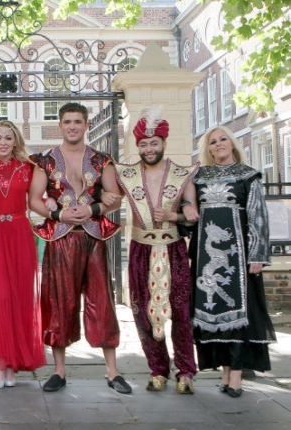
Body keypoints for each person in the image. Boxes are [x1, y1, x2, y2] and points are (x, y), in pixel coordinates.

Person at [28, 102, 131, 394]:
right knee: (59, 303)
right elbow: (33, 199)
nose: (72, 126)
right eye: (68, 122)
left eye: (77, 122)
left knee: (102, 301)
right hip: (60, 238)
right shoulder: (45, 161)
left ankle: (113, 372)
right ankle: (59, 372)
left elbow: (115, 196)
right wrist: (59, 214)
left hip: (93, 238)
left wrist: (94, 208)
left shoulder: (101, 160)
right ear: (60, 125)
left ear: (86, 125)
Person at [110, 108, 198, 394]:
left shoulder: (182, 174)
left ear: (163, 143)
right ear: (138, 146)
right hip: (140, 249)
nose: (149, 149)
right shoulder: (127, 174)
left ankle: (186, 371)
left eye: (154, 143)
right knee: (142, 312)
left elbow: (191, 214)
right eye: (144, 144)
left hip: (173, 249)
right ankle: (158, 369)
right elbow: (109, 197)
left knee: (181, 312)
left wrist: (178, 214)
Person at [191, 126, 276, 398]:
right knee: (215, 313)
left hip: (239, 257)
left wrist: (257, 255)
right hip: (206, 256)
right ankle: (225, 373)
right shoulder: (199, 177)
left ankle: (237, 376)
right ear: (208, 148)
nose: (218, 144)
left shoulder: (248, 175)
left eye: (223, 139)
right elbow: (188, 209)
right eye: (212, 142)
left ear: (232, 142)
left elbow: (258, 216)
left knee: (241, 315)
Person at [0, 121, 45, 388]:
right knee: (0, 297)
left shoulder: (29, 168)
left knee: (20, 298)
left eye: (8, 138)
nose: (3, 142)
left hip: (20, 233)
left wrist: (52, 205)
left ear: (15, 141)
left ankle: (14, 363)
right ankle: (0, 361)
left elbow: (40, 198)